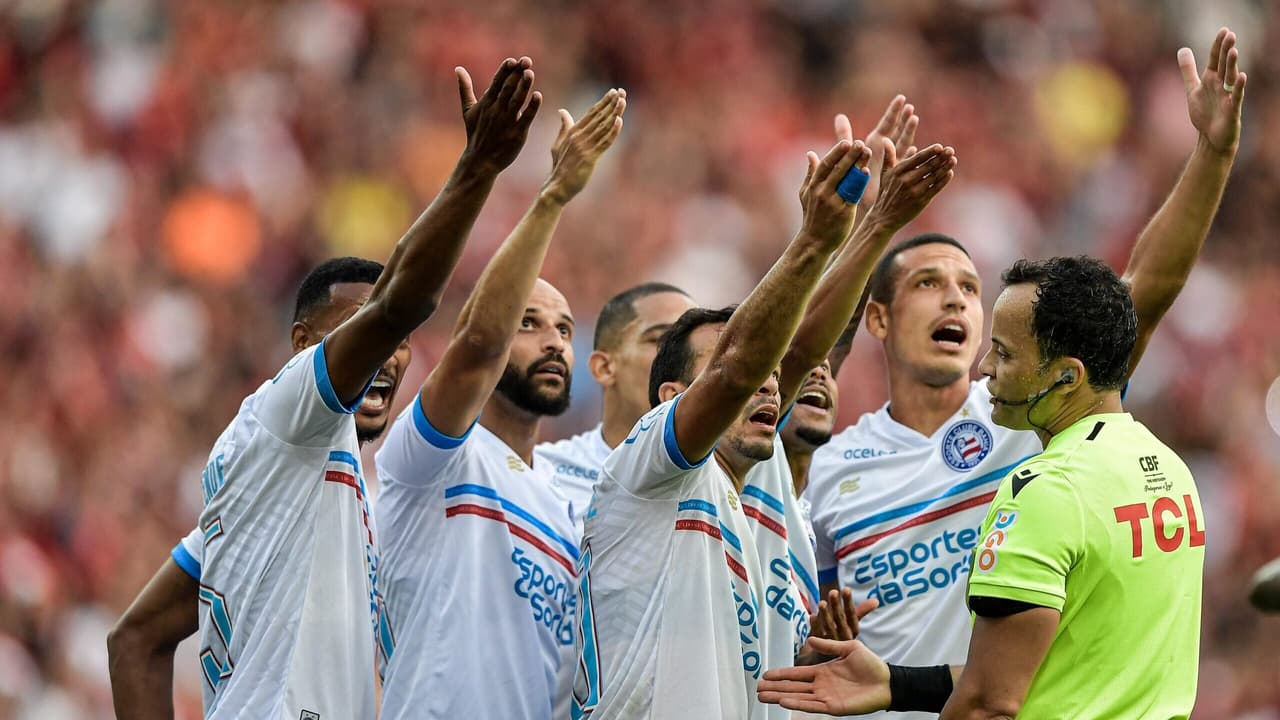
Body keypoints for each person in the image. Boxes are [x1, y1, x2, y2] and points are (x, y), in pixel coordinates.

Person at [802, 27, 1247, 718]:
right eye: (927, 282)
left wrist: (1211, 156)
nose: (955, 296)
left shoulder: (1028, 421)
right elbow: (789, 363)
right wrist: (857, 233)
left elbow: (1145, 288)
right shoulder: (832, 469)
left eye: (968, 286)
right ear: (878, 320)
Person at [106, 56, 543, 720]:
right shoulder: (288, 413)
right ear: (305, 347)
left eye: (396, 350)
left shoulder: (285, 485)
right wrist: (477, 169)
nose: (388, 360)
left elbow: (135, 639)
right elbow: (402, 301)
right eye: (360, 338)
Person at [758, 256, 1207, 718]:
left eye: (1006, 353)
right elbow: (1048, 666)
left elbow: (987, 705)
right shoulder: (1170, 471)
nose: (986, 366)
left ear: (1067, 376)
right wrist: (898, 683)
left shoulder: (1047, 488)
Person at [373, 88, 625, 720]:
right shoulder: (432, 456)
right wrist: (554, 195)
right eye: (531, 323)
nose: (553, 343)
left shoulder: (568, 515)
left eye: (566, 330)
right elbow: (480, 342)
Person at [537, 282, 696, 525]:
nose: (686, 359)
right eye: (664, 341)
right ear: (604, 368)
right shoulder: (546, 473)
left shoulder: (733, 473)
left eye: (696, 347)